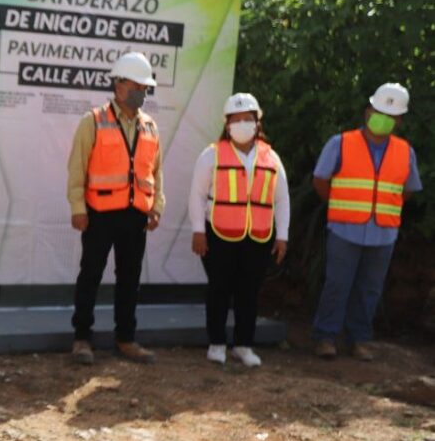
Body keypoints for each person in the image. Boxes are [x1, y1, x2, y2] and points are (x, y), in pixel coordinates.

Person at [310, 82, 421, 361]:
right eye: (379, 112)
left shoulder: (405, 151)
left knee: (370, 289)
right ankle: (325, 337)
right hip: (344, 228)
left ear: (399, 120)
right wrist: (339, 204)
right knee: (337, 284)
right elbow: (320, 181)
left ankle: (359, 339)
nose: (383, 118)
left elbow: (408, 189)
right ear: (367, 111)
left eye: (391, 115)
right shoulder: (340, 143)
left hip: (384, 232)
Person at [67, 51, 164, 365]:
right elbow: (77, 167)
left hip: (135, 215)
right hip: (100, 214)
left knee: (130, 279)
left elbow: (155, 171)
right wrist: (78, 207)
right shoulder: (93, 121)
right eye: (137, 86)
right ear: (119, 86)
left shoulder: (150, 126)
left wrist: (156, 206)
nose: (142, 93)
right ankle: (82, 338)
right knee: (91, 275)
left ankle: (126, 339)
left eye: (145, 88)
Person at [189, 93, 290, 368]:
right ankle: (217, 343)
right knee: (219, 289)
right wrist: (198, 230)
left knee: (249, 291)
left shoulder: (271, 157)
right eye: (236, 119)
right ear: (227, 124)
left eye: (248, 118)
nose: (243, 124)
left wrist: (282, 235)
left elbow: (282, 199)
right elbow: (197, 195)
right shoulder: (211, 154)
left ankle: (244, 345)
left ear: (257, 123)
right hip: (218, 233)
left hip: (258, 236)